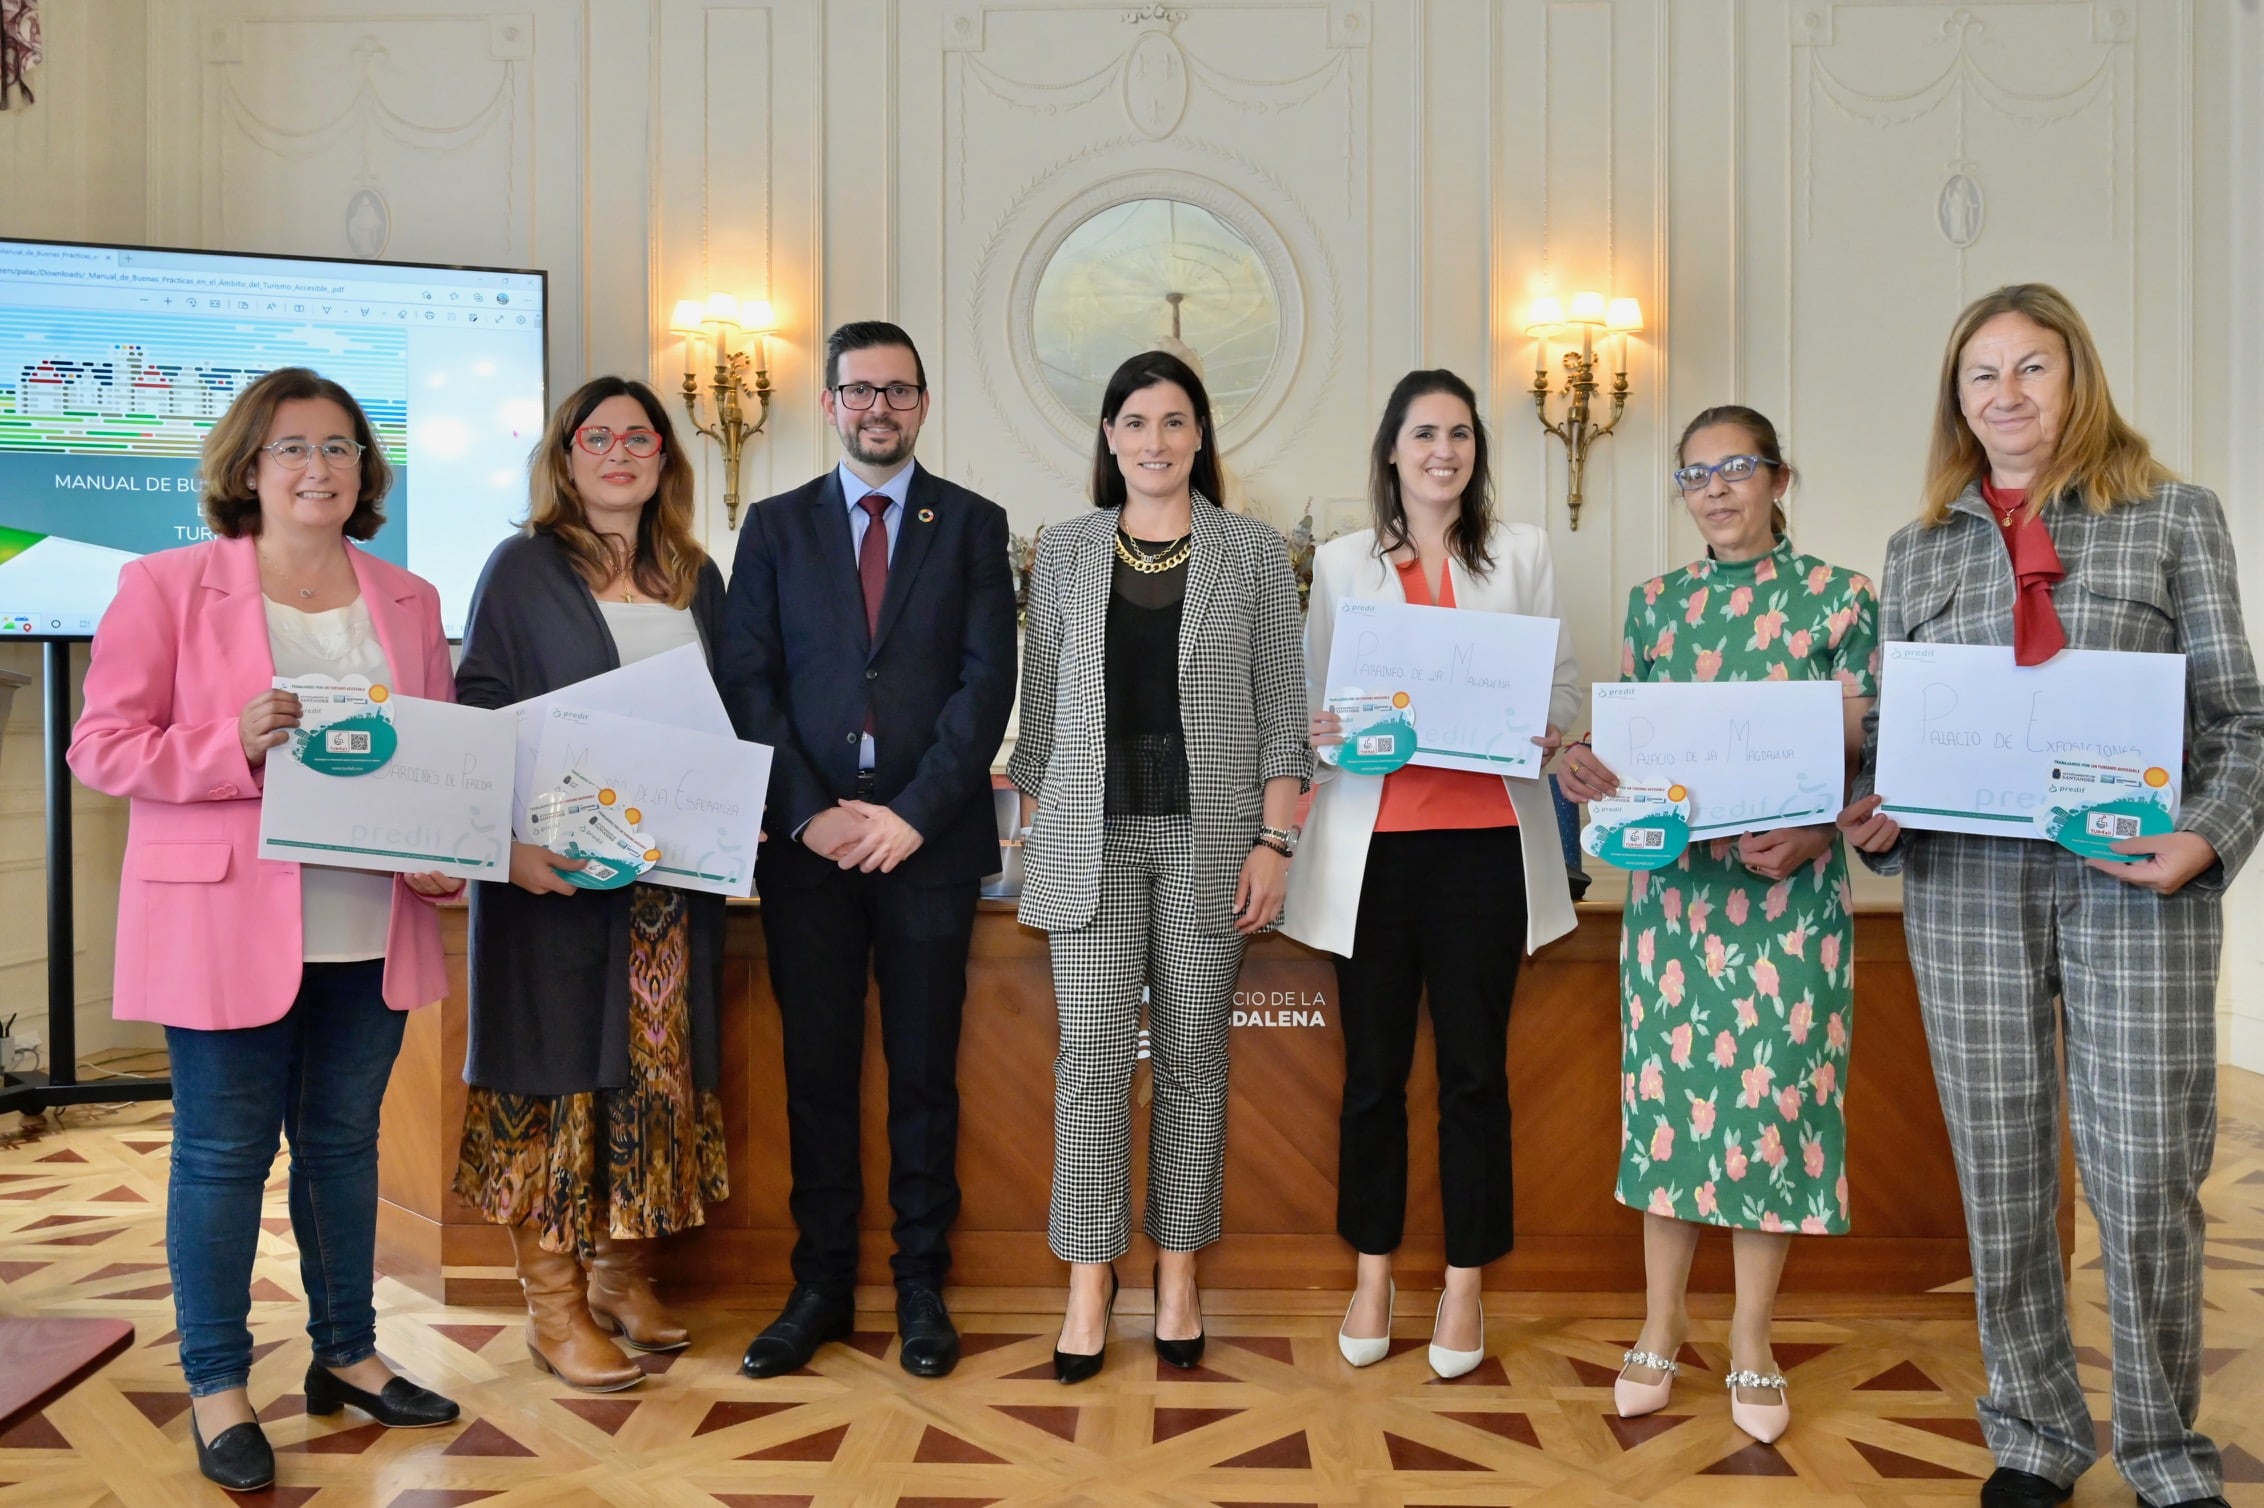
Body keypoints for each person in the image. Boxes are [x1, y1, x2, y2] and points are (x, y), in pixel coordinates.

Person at [1840, 285, 2262, 1508]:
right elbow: (1899, 756)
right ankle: (2031, 1430)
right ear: (1955, 399)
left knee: (2142, 1178)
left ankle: (2164, 1450)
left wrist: (2202, 840)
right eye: (1981, 374)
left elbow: (2240, 722)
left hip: (2138, 893)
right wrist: (1877, 816)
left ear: (2075, 380)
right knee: (2003, 1172)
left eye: (2031, 368)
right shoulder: (1915, 549)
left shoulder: (2173, 516)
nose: (2006, 394)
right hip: (1965, 898)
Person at [69, 368, 462, 1493]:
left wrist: (446, 855)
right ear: (249, 466)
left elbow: (429, 755)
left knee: (343, 1150)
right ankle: (219, 1382)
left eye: (340, 448)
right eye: (293, 447)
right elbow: (102, 747)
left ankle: (345, 1351)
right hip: (222, 921)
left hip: (367, 920)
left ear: (363, 473)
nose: (317, 468)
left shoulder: (409, 597)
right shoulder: (166, 583)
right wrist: (228, 741)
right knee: (221, 1156)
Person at [1556, 405, 1878, 1443]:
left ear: (1779, 477)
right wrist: (1602, 783)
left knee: (1771, 1112)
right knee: (1670, 1109)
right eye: (1694, 475)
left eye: (1735, 468)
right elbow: (1639, 757)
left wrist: (1818, 835)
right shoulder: (1654, 607)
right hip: (1676, 908)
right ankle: (1657, 1323)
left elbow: (1873, 759)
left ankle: (1749, 1337)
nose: (1714, 489)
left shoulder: (1842, 600)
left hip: (1791, 906)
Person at [720, 321, 1017, 1380]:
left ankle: (922, 1285)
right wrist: (807, 812)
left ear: (923, 405)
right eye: (859, 390)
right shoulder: (774, 526)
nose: (877, 407)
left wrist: (911, 814)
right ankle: (820, 1286)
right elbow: (745, 682)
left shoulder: (973, 524)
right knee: (818, 1072)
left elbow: (987, 685)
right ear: (830, 405)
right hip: (808, 851)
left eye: (898, 390)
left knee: (926, 1073)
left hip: (925, 846)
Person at [1010, 349, 1310, 1384]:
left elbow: (1282, 714)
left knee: (1192, 1063)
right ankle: (1089, 1282)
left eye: (1173, 421)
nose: (1153, 440)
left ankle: (1177, 1273)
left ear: (1198, 437)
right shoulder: (1064, 552)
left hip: (1210, 843)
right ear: (1108, 436)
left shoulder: (1253, 554)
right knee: (1090, 1061)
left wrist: (1274, 842)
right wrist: (1031, 836)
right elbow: (1040, 712)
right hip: (1089, 844)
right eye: (1134, 421)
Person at [1282, 370, 1578, 1379]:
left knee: (1472, 1076)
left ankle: (1462, 1281)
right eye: (1423, 434)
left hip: (1485, 850)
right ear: (1392, 450)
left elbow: (1562, 686)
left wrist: (1548, 727)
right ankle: (1372, 1271)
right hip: (1375, 854)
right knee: (1370, 1078)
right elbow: (1318, 707)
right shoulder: (1338, 564)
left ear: (1472, 452)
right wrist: (1322, 731)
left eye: (1457, 434)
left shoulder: (1522, 554)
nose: (1441, 450)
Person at [450, 377, 732, 1394]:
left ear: (665, 457)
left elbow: (732, 706)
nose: (619, 453)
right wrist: (525, 826)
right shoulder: (521, 568)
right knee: (555, 1078)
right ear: (566, 456)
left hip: (665, 883)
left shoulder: (695, 572)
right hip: (555, 877)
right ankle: (553, 1305)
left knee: (651, 1082)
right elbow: (479, 699)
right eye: (597, 436)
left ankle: (621, 1274)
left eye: (639, 437)